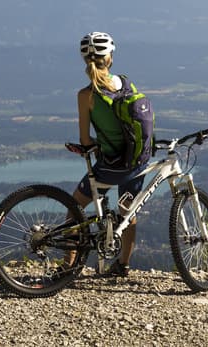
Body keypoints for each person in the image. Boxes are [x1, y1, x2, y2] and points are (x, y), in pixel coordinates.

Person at [66, 31, 144, 277]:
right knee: (127, 213)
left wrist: (98, 145)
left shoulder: (85, 95)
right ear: (109, 58)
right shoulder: (126, 83)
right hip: (134, 162)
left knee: (74, 208)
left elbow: (85, 139)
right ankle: (123, 265)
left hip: (109, 167)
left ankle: (68, 267)